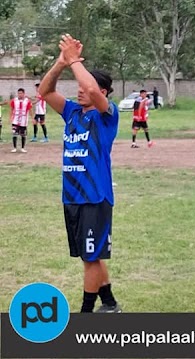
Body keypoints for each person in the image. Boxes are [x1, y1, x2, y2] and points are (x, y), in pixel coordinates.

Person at [38, 33, 121, 313]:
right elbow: (46, 92)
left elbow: (95, 93)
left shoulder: (106, 115)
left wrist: (75, 61)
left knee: (90, 257)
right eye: (81, 85)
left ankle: (86, 313)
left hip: (95, 198)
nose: (81, 90)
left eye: (88, 86)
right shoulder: (72, 112)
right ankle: (109, 303)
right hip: (72, 196)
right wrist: (62, 63)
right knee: (92, 256)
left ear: (105, 92)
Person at [10, 88, 33, 153]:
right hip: (15, 119)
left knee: (23, 134)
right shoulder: (14, 100)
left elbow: (30, 110)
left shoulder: (27, 101)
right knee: (14, 133)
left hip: (23, 120)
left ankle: (22, 148)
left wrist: (32, 118)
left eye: (21, 93)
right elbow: (12, 109)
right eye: (18, 93)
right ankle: (14, 147)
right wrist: (11, 117)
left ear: (24, 94)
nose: (20, 95)